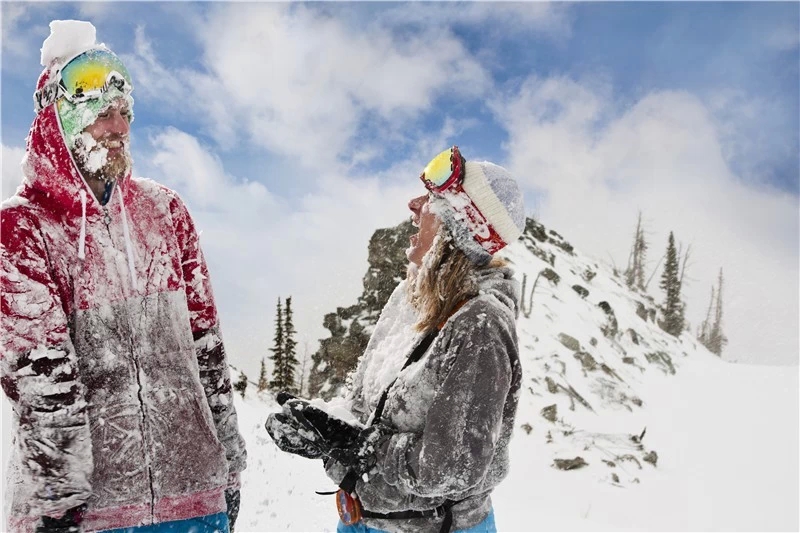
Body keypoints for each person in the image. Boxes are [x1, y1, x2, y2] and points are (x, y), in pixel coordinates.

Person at [1, 21, 246, 533]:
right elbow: (41, 377)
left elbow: (207, 349)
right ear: (60, 123)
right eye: (100, 117)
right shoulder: (24, 227)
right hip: (93, 515)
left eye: (123, 114)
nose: (118, 128)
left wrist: (228, 464)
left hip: (194, 500)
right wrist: (57, 503)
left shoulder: (166, 212)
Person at [267, 145, 525, 532]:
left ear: (458, 229)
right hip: (359, 521)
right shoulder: (407, 299)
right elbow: (365, 407)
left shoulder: (481, 326)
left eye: (433, 200)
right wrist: (324, 425)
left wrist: (356, 445)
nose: (413, 204)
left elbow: (450, 469)